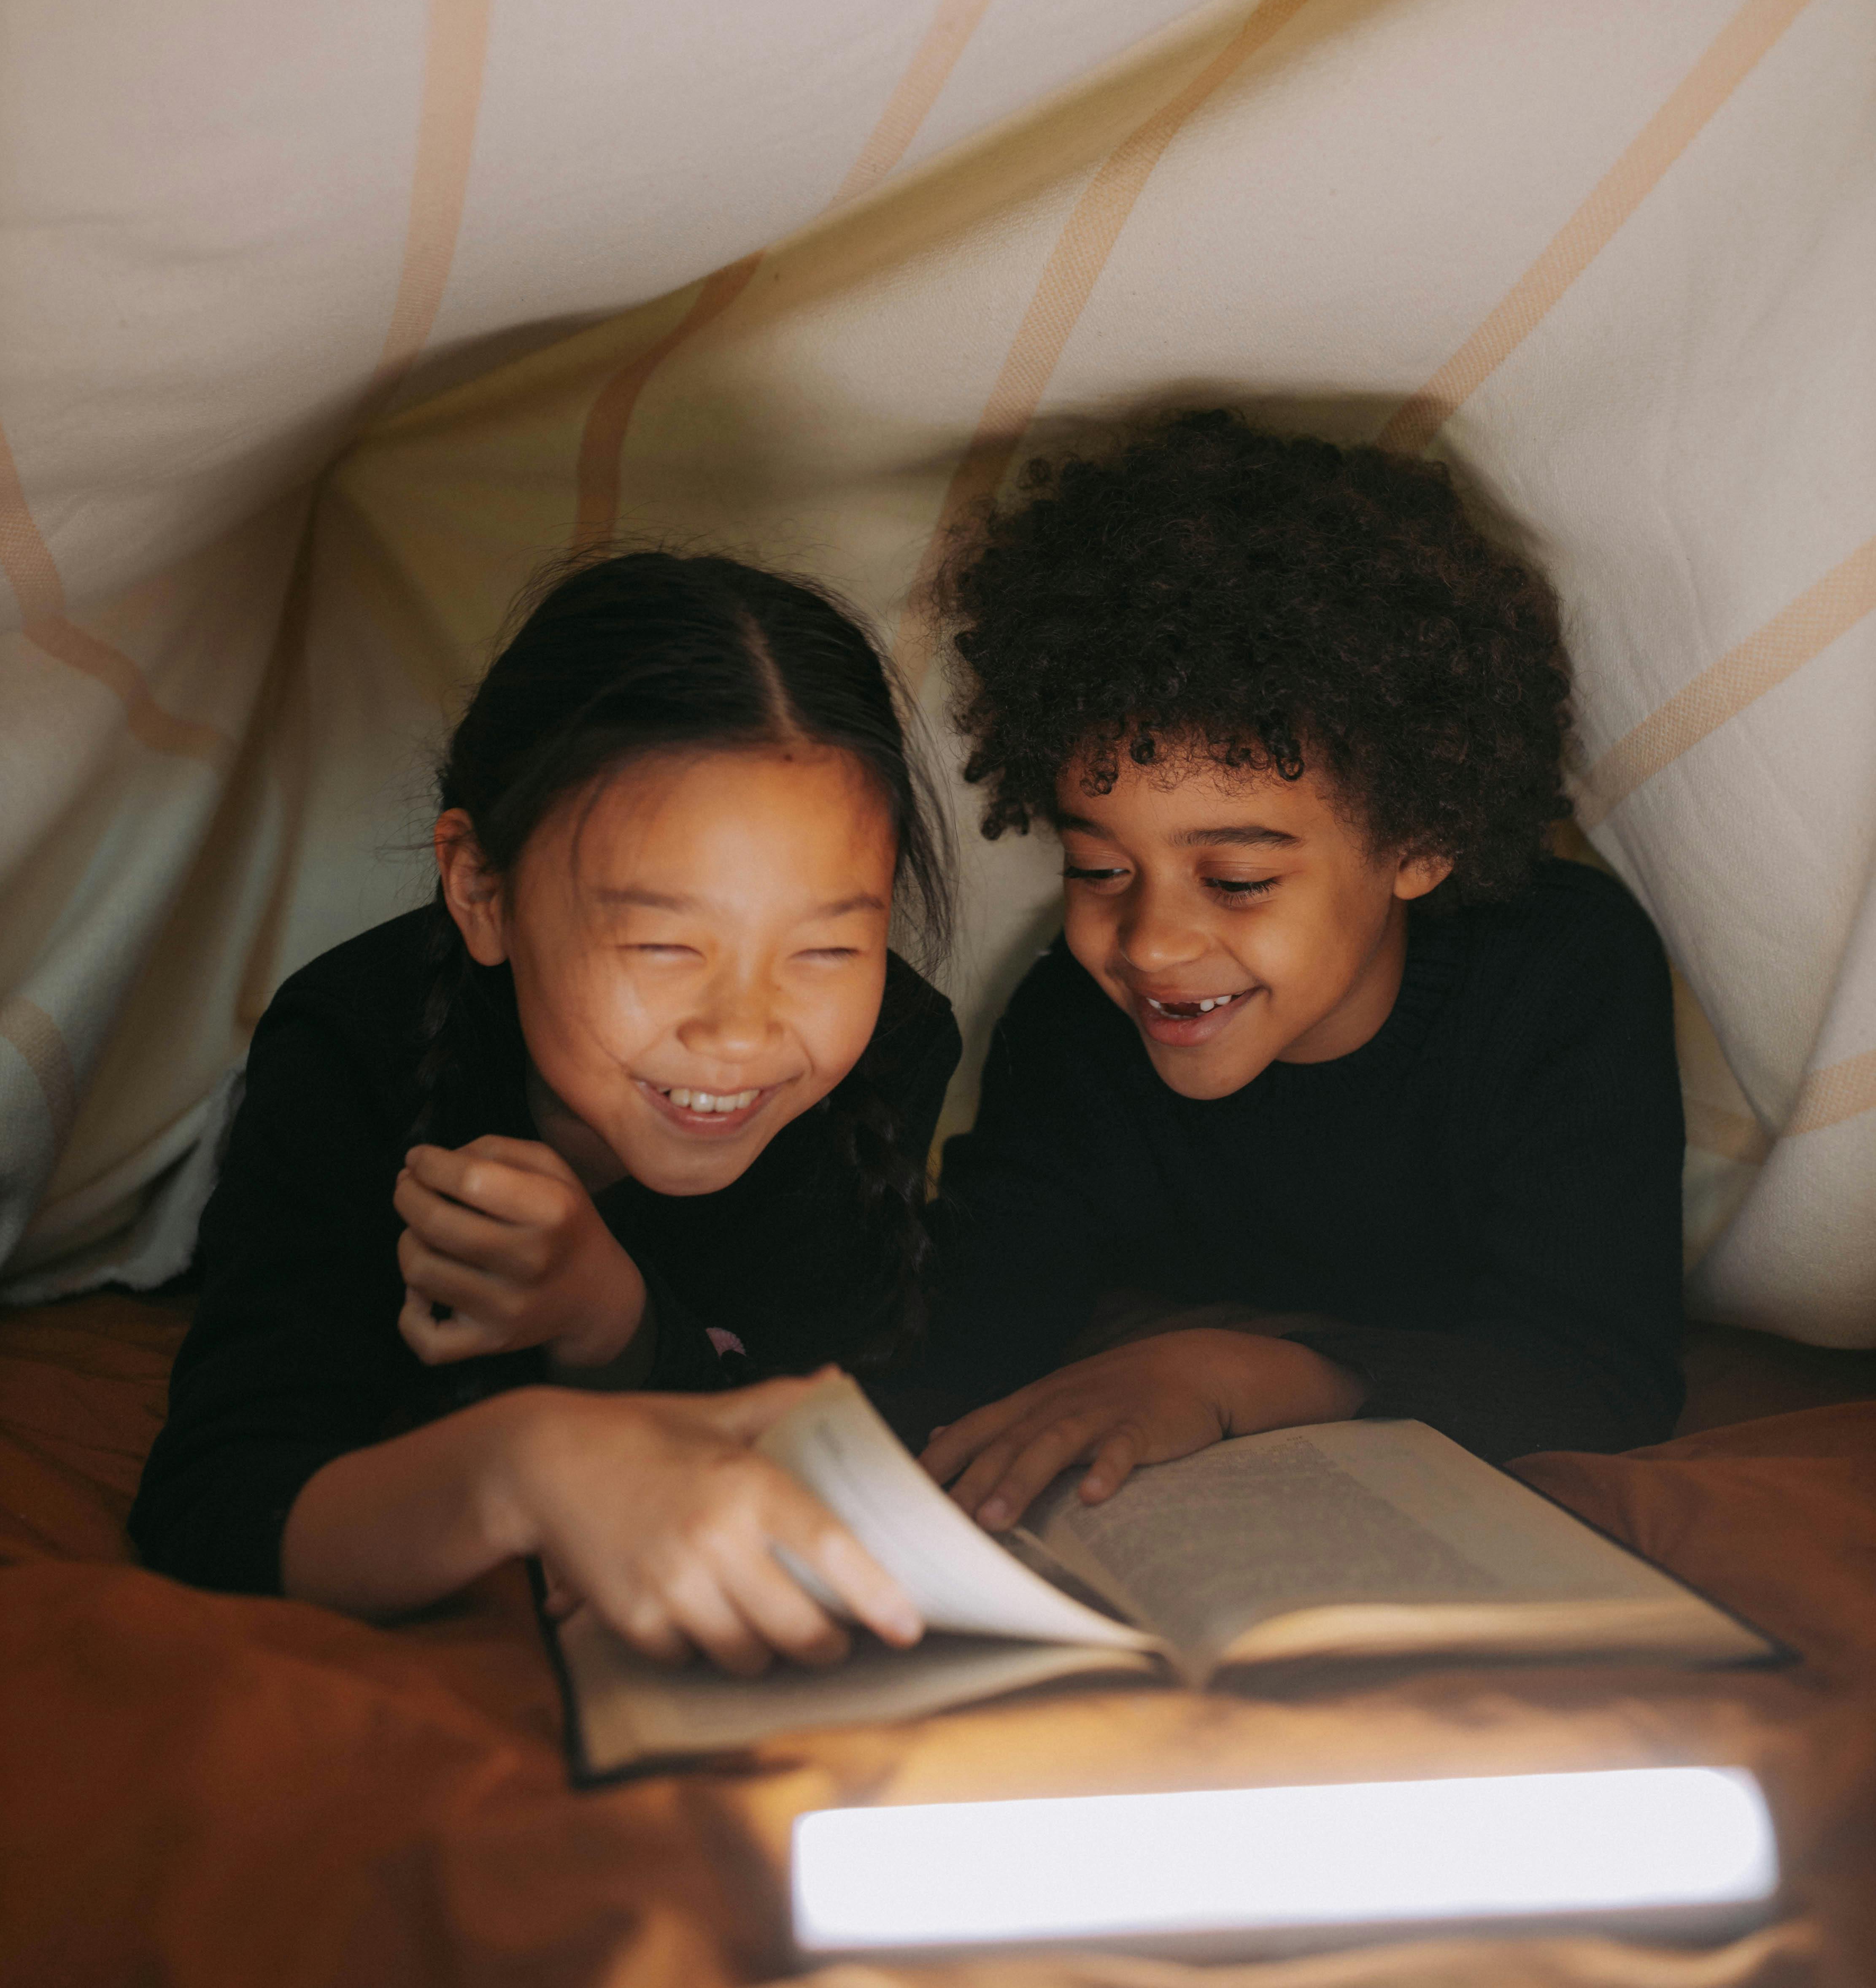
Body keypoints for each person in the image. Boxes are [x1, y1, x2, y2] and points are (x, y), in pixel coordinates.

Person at [132, 550, 959, 1676]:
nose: (743, 1030)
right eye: (666, 946)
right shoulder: (351, 1046)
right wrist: (518, 1466)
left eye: (825, 949)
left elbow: (836, 1432)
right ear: (480, 890)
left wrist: (608, 1320)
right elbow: (219, 1507)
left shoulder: (884, 1054)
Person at [912, 410, 1684, 1531]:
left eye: (1234, 880)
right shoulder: (1075, 1028)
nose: (1150, 944)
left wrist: (1233, 1378)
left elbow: (1599, 1375)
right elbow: (962, 1337)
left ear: (1420, 840)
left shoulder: (1556, 979)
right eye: (1098, 867)